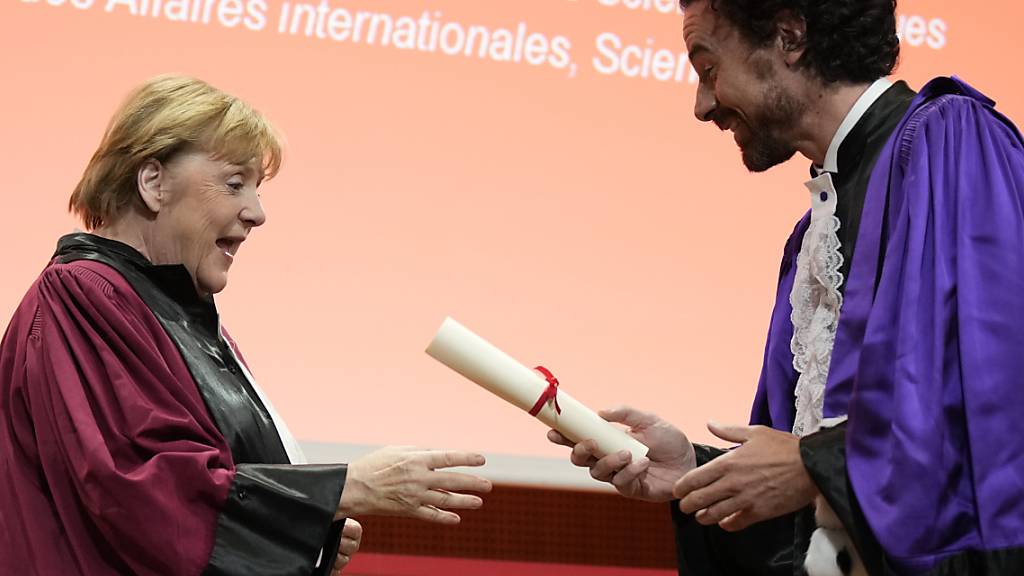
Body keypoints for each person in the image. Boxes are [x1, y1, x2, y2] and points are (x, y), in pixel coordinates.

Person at [550, 0, 1024, 574]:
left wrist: (811, 465)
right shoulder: (810, 237)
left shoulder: (949, 139)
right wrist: (697, 474)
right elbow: (811, 507)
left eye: (707, 70)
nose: (702, 106)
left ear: (789, 36)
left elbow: (997, 402)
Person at [0, 75, 493, 576]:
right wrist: (348, 487)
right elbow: (147, 491)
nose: (257, 213)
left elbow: (209, 480)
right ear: (153, 183)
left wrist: (305, 528)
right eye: (235, 183)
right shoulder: (84, 296)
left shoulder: (170, 308)